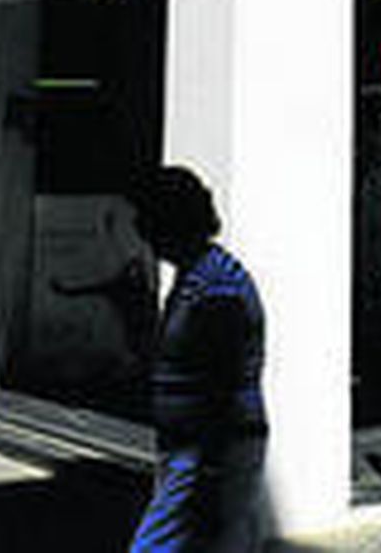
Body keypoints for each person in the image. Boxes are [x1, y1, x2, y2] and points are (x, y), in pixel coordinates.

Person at [127, 166, 267, 553]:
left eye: (147, 220)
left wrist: (210, 473)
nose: (142, 231)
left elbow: (219, 382)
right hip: (192, 450)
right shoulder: (195, 278)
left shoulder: (216, 288)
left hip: (207, 451)